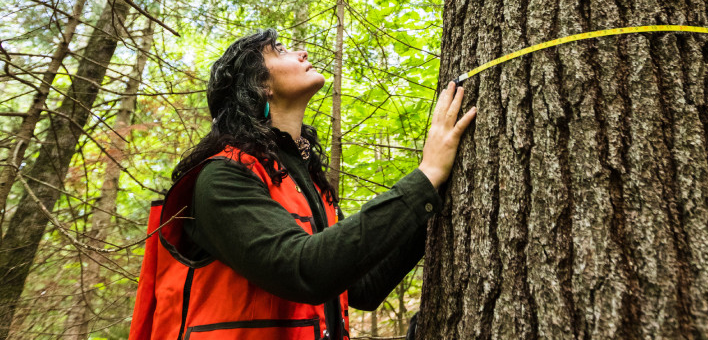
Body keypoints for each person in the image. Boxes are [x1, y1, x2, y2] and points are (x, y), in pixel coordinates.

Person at [129, 28, 476, 340]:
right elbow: (304, 270)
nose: (302, 53)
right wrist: (425, 175)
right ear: (259, 85)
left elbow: (364, 288)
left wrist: (437, 190)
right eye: (279, 51)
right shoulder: (221, 178)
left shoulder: (305, 179)